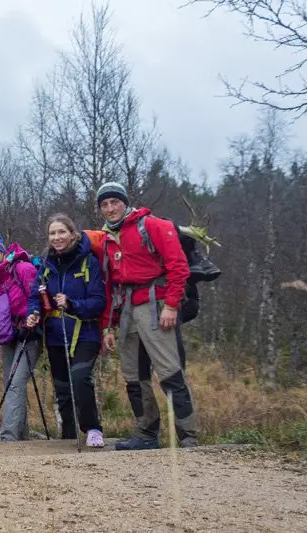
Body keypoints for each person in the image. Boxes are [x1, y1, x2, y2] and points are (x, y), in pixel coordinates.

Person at [97, 182, 199, 449]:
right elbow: (110, 286)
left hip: (157, 305)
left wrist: (172, 305)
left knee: (169, 372)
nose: (110, 208)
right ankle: (146, 433)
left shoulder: (152, 225)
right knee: (133, 375)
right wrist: (107, 327)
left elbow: (179, 266)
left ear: (124, 202)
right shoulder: (107, 238)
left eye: (114, 202)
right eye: (104, 205)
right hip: (128, 310)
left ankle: (187, 436)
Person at [27, 214, 106, 447]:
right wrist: (33, 313)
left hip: (85, 332)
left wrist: (72, 304)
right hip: (55, 333)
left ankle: (92, 428)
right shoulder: (46, 264)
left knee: (80, 378)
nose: (57, 237)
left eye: (62, 232)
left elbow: (99, 301)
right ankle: (69, 435)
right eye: (52, 233)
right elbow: (35, 295)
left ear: (73, 234)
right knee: (62, 387)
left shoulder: (88, 262)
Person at [0, 232, 40, 441]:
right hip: (8, 337)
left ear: (2, 250)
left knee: (15, 383)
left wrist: (30, 320)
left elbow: (37, 296)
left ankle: (8, 439)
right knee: (10, 384)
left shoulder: (23, 268)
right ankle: (20, 437)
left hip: (29, 334)